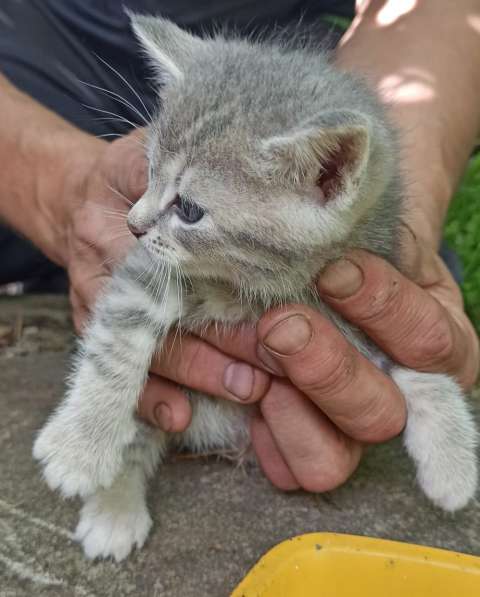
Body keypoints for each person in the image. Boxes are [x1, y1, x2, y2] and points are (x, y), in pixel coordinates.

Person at [0, 0, 478, 492]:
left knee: (389, 352)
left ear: (325, 181)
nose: (135, 219)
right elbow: (143, 280)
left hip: (303, 99)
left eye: (187, 207)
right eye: (150, 175)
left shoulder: (316, 165)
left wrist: (412, 220)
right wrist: (60, 188)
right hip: (25, 63)